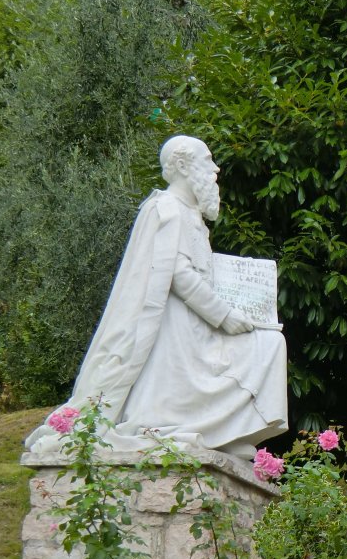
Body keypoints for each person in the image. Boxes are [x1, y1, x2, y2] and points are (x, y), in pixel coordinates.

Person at [25, 135, 288, 458]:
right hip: (174, 328)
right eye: (207, 160)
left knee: (271, 344)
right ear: (181, 165)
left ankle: (222, 430)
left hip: (200, 326)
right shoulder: (164, 209)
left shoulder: (192, 217)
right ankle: (175, 425)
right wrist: (223, 314)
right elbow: (176, 273)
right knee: (268, 345)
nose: (215, 169)